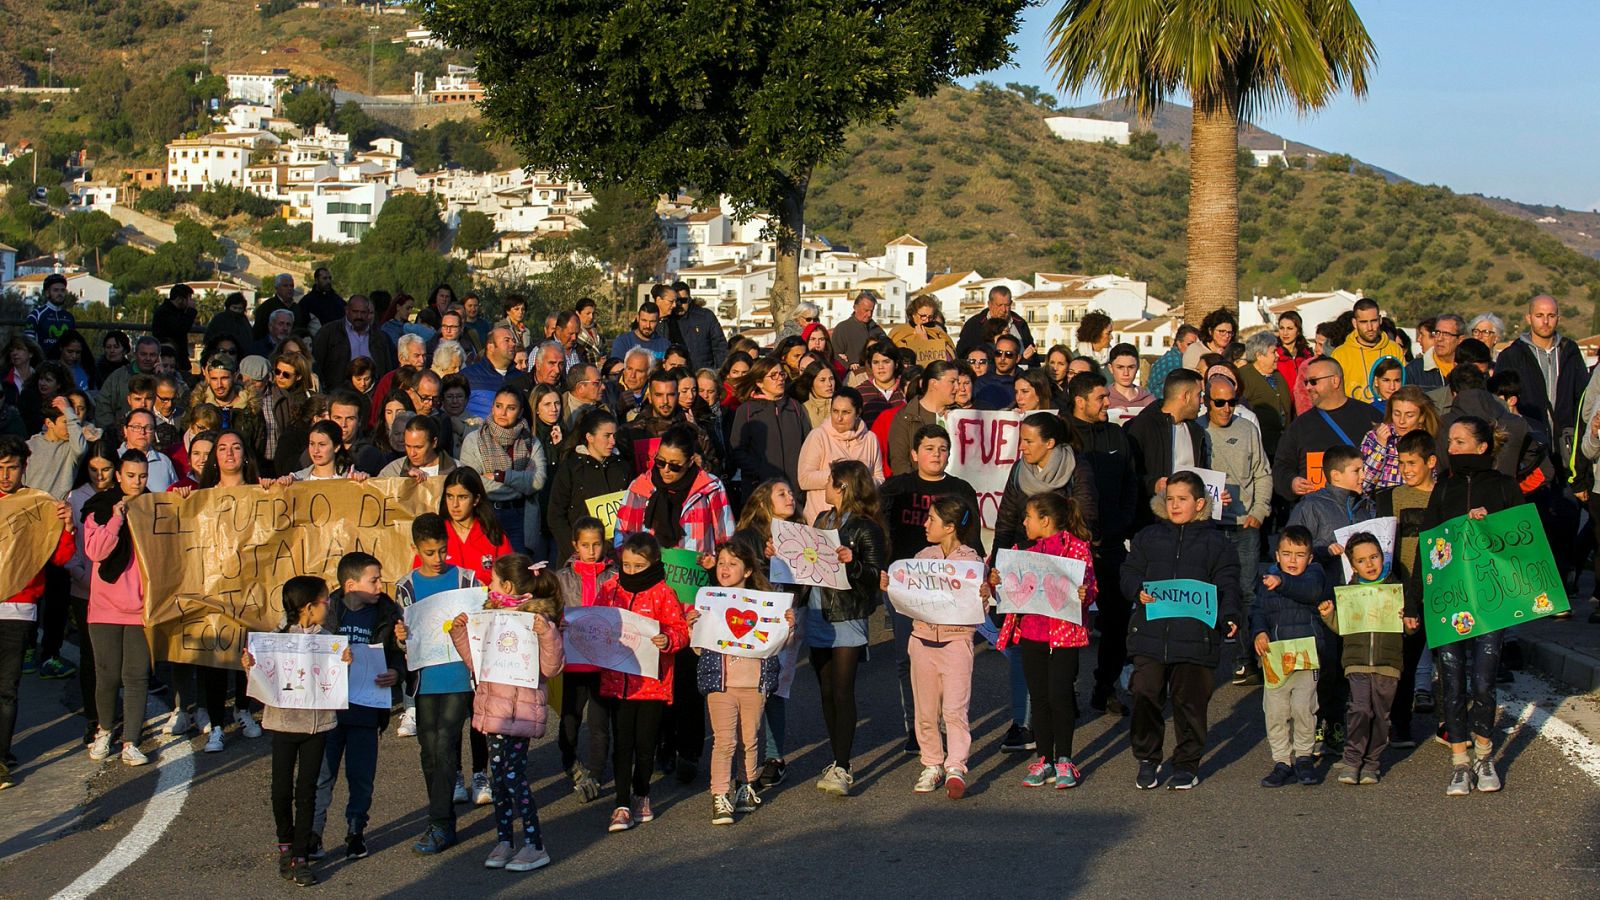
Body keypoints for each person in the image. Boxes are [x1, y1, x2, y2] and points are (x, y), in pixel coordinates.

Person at [1419, 416, 1523, 795]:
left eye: (1460, 442)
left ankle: (1484, 754)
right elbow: (1428, 549)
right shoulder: (1442, 489)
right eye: (1450, 442)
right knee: (1451, 679)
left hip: (1490, 599)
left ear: (1482, 448)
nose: (1452, 448)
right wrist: (1417, 601)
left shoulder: (1505, 487)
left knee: (1483, 677)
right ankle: (1459, 761)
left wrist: (1489, 524)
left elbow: (1521, 542)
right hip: (1448, 597)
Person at [1122, 471, 1242, 790]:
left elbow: (1228, 584)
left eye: (1182, 500)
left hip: (1196, 635)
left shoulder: (1217, 543)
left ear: (1199, 503)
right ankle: (1148, 758)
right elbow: (1129, 572)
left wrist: (1230, 616)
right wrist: (1137, 589)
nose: (1174, 506)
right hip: (1151, 633)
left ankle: (1186, 764)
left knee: (1190, 702)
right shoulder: (1148, 536)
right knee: (1144, 692)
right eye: (1170, 499)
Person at [448, 555, 563, 871]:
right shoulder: (490, 617)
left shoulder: (536, 621)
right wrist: (460, 633)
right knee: (498, 779)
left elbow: (552, 667)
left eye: (493, 581)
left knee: (514, 777)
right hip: (493, 711)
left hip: (520, 714)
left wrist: (546, 634)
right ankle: (504, 839)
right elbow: (476, 662)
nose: (488, 586)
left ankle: (534, 843)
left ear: (508, 585)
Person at [241, 575, 346, 886]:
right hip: (283, 723)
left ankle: (301, 855)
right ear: (308, 607)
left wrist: (345, 662)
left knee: (307, 791)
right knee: (280, 789)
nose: (328, 606)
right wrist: (249, 663)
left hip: (317, 724)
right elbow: (260, 674)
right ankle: (285, 846)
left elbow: (335, 674)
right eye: (325, 601)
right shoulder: (275, 638)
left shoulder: (328, 637)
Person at [991, 491, 1098, 790]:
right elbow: (1009, 587)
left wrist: (1084, 594)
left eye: (1029, 516)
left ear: (1046, 520)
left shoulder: (1076, 550)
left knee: (1060, 696)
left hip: (1064, 636)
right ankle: (1044, 759)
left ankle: (1065, 758)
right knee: (1038, 697)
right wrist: (998, 580)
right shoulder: (1022, 551)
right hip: (1031, 633)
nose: (1024, 522)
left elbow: (1090, 587)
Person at [397, 512, 486, 853]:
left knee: (447, 744)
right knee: (429, 751)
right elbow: (402, 639)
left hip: (459, 676)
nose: (437, 559)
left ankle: (440, 824)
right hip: (424, 680)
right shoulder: (405, 587)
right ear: (416, 548)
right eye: (429, 552)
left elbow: (482, 621)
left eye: (442, 551)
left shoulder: (467, 580)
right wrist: (400, 636)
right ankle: (442, 815)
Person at [308, 552, 404, 863]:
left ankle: (355, 830)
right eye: (373, 580)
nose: (380, 585)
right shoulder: (328, 610)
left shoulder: (388, 613)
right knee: (323, 775)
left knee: (361, 776)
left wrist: (397, 673)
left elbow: (398, 655)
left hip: (366, 711)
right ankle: (314, 834)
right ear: (350, 585)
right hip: (329, 713)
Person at [688, 541, 793, 824]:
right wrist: (693, 626)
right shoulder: (709, 601)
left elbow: (780, 644)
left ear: (747, 570)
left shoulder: (764, 603)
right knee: (725, 740)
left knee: (749, 739)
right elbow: (698, 648)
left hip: (754, 682)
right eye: (721, 563)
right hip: (720, 682)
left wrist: (787, 626)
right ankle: (720, 794)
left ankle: (745, 786)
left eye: (732, 564)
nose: (725, 568)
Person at [890, 497, 982, 798]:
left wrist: (985, 589)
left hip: (956, 642)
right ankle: (932, 763)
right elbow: (907, 595)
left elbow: (978, 603)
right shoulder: (922, 556)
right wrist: (891, 586)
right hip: (922, 642)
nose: (925, 524)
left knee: (955, 709)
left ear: (950, 526)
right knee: (926, 710)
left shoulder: (970, 561)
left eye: (931, 519)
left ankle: (956, 766)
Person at [807, 460, 887, 797]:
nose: (825, 485)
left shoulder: (866, 529)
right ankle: (837, 756)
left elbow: (873, 577)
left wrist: (852, 563)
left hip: (848, 615)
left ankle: (843, 764)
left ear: (843, 487)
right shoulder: (822, 519)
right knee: (825, 690)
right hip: (817, 610)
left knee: (843, 689)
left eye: (830, 480)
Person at [599, 532, 689, 832]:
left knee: (645, 744)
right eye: (627, 565)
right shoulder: (610, 589)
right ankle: (621, 804)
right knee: (622, 744)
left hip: (652, 684)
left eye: (639, 566)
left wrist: (668, 640)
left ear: (653, 563)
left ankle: (641, 793)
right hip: (618, 681)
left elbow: (681, 631)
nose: (632, 571)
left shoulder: (663, 593)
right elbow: (595, 621)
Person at [0, 436, 75, 787]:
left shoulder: (38, 503)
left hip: (19, 606)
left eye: (11, 467)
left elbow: (59, 558)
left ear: (24, 467)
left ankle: (0, 758)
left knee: (7, 687)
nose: (5, 475)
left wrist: (67, 527)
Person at [1319, 532, 1414, 786]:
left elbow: (1409, 626)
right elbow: (1344, 626)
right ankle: (1352, 760)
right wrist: (1329, 615)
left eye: (1374, 557)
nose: (1369, 564)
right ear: (1353, 565)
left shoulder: (1397, 589)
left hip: (1389, 662)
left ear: (1383, 557)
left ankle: (1372, 763)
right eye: (1361, 560)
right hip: (1357, 660)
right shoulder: (1350, 592)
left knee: (1381, 714)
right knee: (1361, 708)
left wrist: (1410, 621)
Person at [83, 450, 152, 767]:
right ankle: (105, 731)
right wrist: (117, 517)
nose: (137, 482)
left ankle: (131, 742)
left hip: (142, 608)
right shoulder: (98, 508)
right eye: (131, 475)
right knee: (108, 675)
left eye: (142, 476)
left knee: (136, 677)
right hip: (105, 608)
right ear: (119, 476)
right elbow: (96, 551)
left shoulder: (155, 506)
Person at [1202, 376, 1272, 685]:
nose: (1227, 408)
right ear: (1207, 401)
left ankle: (1246, 659)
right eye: (1220, 402)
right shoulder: (1197, 431)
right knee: (1207, 593)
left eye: (1232, 402)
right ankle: (1204, 658)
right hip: (1210, 525)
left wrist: (1259, 512)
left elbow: (1262, 473)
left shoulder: (1247, 429)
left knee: (1247, 591)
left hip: (1245, 525)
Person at [1251, 526, 1329, 787]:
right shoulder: (1267, 579)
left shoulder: (1314, 575)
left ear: (1310, 557)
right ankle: (1282, 761)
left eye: (1299, 554)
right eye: (1287, 554)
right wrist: (1259, 632)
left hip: (1306, 656)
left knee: (1303, 708)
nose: (1293, 560)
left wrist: (1283, 582)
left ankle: (1304, 756)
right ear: (1277, 555)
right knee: (1275, 711)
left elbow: (1309, 592)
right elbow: (1258, 611)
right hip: (1276, 656)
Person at [1375, 430, 1438, 746]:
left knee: (1450, 661)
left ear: (1431, 462)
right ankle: (1399, 724)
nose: (1407, 470)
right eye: (1402, 463)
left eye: (1413, 463)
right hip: (1402, 590)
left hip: (1440, 590)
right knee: (1404, 662)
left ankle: (1451, 724)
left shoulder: (1444, 496)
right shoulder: (1390, 497)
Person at [553, 517, 616, 803]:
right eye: (586, 545)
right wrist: (557, 623)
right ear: (575, 545)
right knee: (570, 717)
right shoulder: (561, 578)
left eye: (597, 544)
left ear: (605, 544)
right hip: (574, 662)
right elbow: (548, 612)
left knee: (600, 721)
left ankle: (596, 772)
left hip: (603, 663)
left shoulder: (614, 576)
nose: (592, 551)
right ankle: (570, 761)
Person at [1272, 357, 1381, 503]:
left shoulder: (1369, 416)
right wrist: (1292, 482)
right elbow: (1281, 467)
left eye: (1314, 381)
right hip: (1317, 512)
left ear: (1335, 381)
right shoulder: (1299, 426)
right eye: (1306, 382)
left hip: (1361, 510)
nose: (1308, 387)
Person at [460, 387, 546, 553]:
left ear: (520, 412)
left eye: (511, 408)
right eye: (499, 406)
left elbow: (537, 481)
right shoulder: (474, 440)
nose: (503, 412)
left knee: (518, 572)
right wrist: (521, 484)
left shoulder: (531, 442)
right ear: (492, 407)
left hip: (520, 517)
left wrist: (500, 476)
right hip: (486, 514)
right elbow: (473, 483)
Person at [1125, 369, 1209, 526]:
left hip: (1191, 525)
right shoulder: (1141, 427)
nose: (1202, 401)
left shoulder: (1196, 431)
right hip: (1153, 523)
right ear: (1186, 396)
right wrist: (1153, 484)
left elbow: (1202, 473)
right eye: (1199, 395)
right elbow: (1128, 475)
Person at [547, 409, 631, 565]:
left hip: (615, 558)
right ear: (589, 437)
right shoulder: (571, 468)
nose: (612, 441)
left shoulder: (623, 467)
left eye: (614, 435)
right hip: (577, 560)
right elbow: (555, 516)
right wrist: (576, 552)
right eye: (607, 436)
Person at [796, 386, 883, 523]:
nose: (839, 418)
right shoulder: (818, 436)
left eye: (846, 412)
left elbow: (879, 478)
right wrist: (840, 477)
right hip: (823, 519)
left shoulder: (870, 439)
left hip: (858, 519)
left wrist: (860, 482)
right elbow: (804, 479)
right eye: (835, 411)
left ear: (858, 412)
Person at [728, 358, 811, 501]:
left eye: (782, 374)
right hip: (761, 491)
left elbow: (809, 443)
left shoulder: (795, 407)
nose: (780, 379)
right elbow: (737, 450)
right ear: (759, 382)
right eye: (773, 376)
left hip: (795, 492)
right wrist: (761, 471)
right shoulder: (747, 411)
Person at [1358, 386, 1438, 492]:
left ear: (1421, 417)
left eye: (1409, 415)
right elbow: (1363, 484)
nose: (1401, 421)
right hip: (1379, 504)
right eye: (1397, 414)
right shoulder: (1373, 437)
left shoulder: (1430, 440)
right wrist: (1380, 447)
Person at [886, 361, 958, 476]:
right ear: (934, 383)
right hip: (917, 490)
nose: (957, 388)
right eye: (952, 382)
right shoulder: (905, 417)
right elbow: (899, 462)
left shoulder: (960, 415)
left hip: (956, 489)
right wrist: (919, 488)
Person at [1328, 299, 1403, 405]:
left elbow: (1403, 388)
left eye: (1374, 321)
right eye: (1363, 322)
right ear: (1354, 323)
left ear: (1380, 320)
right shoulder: (1340, 354)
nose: (1370, 327)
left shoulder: (1394, 349)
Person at [312, 295, 396, 389]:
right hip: (338, 392)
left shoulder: (380, 337)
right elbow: (316, 363)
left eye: (363, 312)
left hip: (372, 393)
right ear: (347, 310)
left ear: (368, 313)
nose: (359, 316)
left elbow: (388, 368)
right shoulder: (329, 333)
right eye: (355, 312)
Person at [955, 286, 1035, 361]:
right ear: (989, 304)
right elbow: (961, 354)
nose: (1003, 310)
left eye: (1007, 305)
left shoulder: (1020, 324)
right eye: (999, 305)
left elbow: (1032, 354)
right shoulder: (974, 324)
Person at [664, 281, 729, 371]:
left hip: (703, 374)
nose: (679, 304)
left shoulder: (705, 317)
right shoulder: (666, 320)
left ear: (689, 299)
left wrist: (719, 372)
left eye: (683, 301)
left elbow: (720, 346)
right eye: (676, 301)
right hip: (676, 374)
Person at [887, 295, 954, 370]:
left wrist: (925, 343)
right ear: (913, 314)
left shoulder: (938, 332)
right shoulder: (898, 332)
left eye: (930, 317)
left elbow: (948, 358)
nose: (926, 320)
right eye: (923, 316)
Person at [1404, 313, 1462, 392]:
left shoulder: (1469, 369)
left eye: (1446, 334)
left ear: (1460, 339)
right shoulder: (1413, 370)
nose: (1439, 339)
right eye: (1437, 333)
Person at [835, 291, 891, 372]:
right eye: (866, 310)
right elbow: (836, 356)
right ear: (855, 307)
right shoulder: (842, 328)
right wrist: (849, 365)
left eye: (871, 311)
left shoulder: (877, 330)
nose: (869, 314)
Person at [25, 273, 76, 358]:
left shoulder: (70, 317)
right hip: (42, 364)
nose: (60, 293)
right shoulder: (36, 315)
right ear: (47, 293)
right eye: (55, 290)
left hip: (64, 365)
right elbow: (29, 344)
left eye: (63, 290)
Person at [858, 340, 907, 427]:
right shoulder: (860, 392)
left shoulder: (907, 388)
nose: (880, 367)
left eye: (886, 362)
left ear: (896, 364)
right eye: (876, 362)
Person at [152, 283, 198, 375]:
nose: (191, 301)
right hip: (170, 357)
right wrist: (191, 311)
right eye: (189, 298)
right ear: (180, 299)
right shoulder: (165, 313)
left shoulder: (174, 312)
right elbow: (182, 328)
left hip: (178, 356)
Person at [204, 292, 256, 361]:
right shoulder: (220, 319)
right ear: (228, 307)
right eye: (234, 308)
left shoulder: (244, 321)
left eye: (240, 308)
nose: (237, 311)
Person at [296, 267, 345, 334]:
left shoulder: (337, 299)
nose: (328, 281)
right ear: (316, 280)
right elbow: (301, 327)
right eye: (324, 278)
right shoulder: (307, 302)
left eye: (329, 278)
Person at [255, 274, 297, 340]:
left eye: (291, 286)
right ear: (277, 288)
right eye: (285, 286)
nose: (289, 288)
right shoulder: (266, 307)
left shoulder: (298, 308)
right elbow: (258, 332)